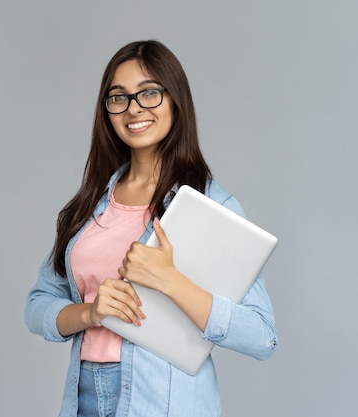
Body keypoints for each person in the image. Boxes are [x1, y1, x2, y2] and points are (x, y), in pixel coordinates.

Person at [24, 39, 278, 417]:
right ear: (106, 110)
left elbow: (262, 336)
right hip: (84, 399)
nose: (134, 109)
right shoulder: (91, 203)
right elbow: (38, 305)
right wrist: (90, 313)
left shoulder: (212, 207)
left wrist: (169, 280)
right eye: (119, 98)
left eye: (149, 94)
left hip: (161, 403)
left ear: (175, 99)